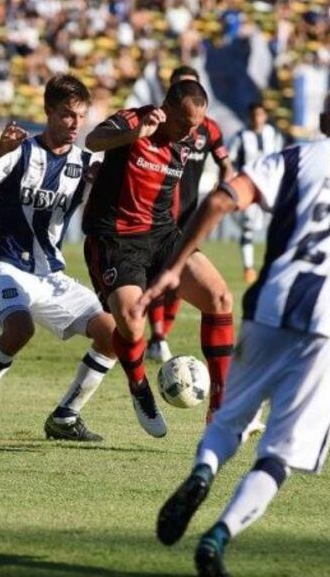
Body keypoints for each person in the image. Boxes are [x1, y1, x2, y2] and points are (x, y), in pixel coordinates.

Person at [138, 84, 330, 575]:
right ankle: (219, 536)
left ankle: (202, 471)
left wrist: (174, 267)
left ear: (323, 124)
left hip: (272, 308)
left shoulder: (297, 158)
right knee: (279, 453)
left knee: (228, 419)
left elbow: (219, 200)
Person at [0, 74, 119, 445]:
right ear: (48, 112)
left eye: (80, 115)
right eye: (66, 115)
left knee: (114, 335)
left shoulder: (87, 163)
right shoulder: (19, 152)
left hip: (52, 274)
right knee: (19, 330)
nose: (75, 123)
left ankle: (65, 416)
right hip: (6, 266)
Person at [82, 80, 235, 438]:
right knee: (132, 321)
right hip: (116, 238)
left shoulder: (194, 136)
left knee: (220, 297)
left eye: (197, 124)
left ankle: (220, 404)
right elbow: (93, 141)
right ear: (165, 108)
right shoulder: (134, 119)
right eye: (184, 122)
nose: (191, 131)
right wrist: (134, 134)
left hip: (164, 236)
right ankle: (139, 387)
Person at [145, 65, 234, 364]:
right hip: (156, 217)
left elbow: (226, 164)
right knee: (159, 275)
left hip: (190, 217)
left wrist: (227, 187)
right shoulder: (155, 123)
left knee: (178, 280)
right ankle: (157, 335)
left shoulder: (209, 129)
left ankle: (160, 337)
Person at [229, 102, 284, 284]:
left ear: (265, 116)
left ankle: (272, 266)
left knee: (276, 228)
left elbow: (281, 159)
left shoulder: (273, 135)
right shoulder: (241, 136)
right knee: (248, 229)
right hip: (249, 188)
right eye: (254, 115)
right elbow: (230, 161)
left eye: (260, 115)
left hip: (270, 188)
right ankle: (249, 268)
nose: (257, 119)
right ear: (249, 117)